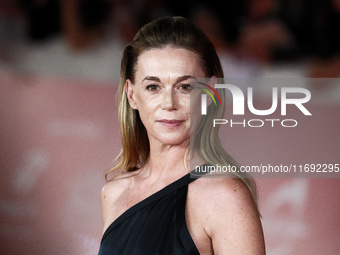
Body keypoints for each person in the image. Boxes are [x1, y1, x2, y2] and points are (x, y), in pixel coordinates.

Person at [99, 16, 265, 255]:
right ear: (132, 95)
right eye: (153, 87)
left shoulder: (225, 196)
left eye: (186, 87)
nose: (169, 103)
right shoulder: (114, 192)